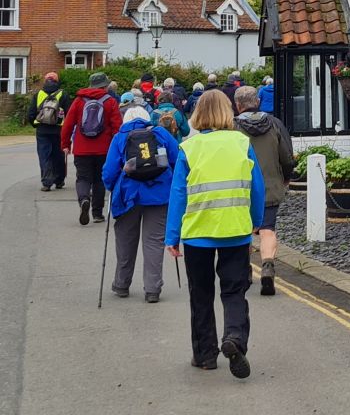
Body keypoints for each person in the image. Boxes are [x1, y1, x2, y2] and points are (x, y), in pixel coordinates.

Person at [166, 89, 264, 378]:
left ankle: (206, 355)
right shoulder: (242, 143)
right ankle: (234, 338)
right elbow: (256, 187)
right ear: (227, 111)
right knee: (234, 291)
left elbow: (178, 196)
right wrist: (255, 221)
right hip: (235, 229)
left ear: (198, 115)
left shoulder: (189, 148)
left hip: (197, 233)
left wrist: (173, 236)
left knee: (201, 293)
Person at [103, 104, 180, 302]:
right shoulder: (160, 133)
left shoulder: (120, 137)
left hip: (129, 196)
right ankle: (153, 289)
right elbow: (177, 160)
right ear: (147, 118)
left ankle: (121, 284)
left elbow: (110, 171)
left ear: (126, 119)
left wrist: (111, 186)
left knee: (125, 240)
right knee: (153, 242)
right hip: (159, 195)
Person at [233, 86, 293, 296]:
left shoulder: (232, 127)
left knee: (244, 230)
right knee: (267, 229)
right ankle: (267, 265)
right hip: (269, 186)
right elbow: (286, 155)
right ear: (257, 102)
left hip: (241, 188)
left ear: (238, 105)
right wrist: (285, 177)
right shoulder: (274, 124)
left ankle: (246, 269)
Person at [61, 71, 123, 224]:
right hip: (104, 149)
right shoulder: (110, 101)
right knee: (99, 180)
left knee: (82, 178)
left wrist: (65, 144)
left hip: (82, 149)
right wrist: (119, 148)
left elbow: (68, 124)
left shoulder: (79, 100)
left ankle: (83, 199)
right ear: (105, 85)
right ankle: (97, 213)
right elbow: (117, 127)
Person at [27, 71, 72, 190]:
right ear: (57, 81)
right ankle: (59, 181)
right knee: (58, 155)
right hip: (59, 130)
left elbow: (31, 114)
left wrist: (36, 125)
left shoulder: (38, 94)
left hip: (42, 130)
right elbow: (70, 114)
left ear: (45, 81)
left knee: (44, 156)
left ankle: (47, 183)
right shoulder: (63, 94)